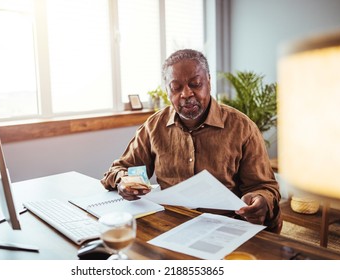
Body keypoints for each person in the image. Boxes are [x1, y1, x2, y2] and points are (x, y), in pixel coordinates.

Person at [101, 49, 282, 233]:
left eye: (195, 84)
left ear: (209, 82)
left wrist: (261, 200)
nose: (186, 94)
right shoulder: (154, 126)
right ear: (167, 91)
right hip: (169, 226)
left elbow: (265, 187)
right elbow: (119, 169)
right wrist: (123, 181)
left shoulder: (243, 128)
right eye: (176, 87)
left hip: (226, 229)